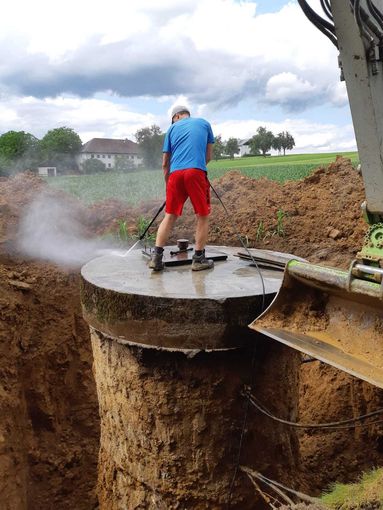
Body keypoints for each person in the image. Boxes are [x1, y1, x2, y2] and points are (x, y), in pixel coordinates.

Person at [149, 105, 215, 272]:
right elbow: (208, 156)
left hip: (175, 175)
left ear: (176, 116)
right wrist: (195, 169)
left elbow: (165, 163)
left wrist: (169, 185)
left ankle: (156, 258)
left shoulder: (171, 129)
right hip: (195, 172)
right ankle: (199, 260)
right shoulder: (205, 124)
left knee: (170, 215)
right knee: (202, 215)